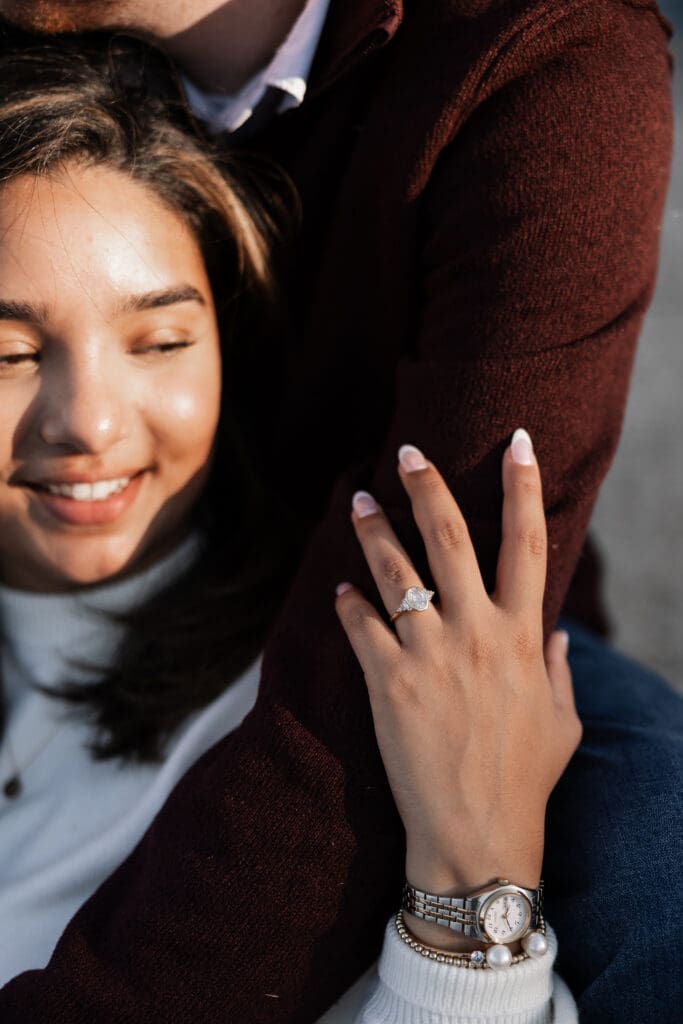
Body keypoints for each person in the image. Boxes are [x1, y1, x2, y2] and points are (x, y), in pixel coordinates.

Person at [0, 3, 680, 1021]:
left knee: (642, 852)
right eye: (8, 353)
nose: (91, 422)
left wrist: (465, 888)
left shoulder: (536, 56)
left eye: (160, 342)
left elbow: (465, 550)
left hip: (415, 621)